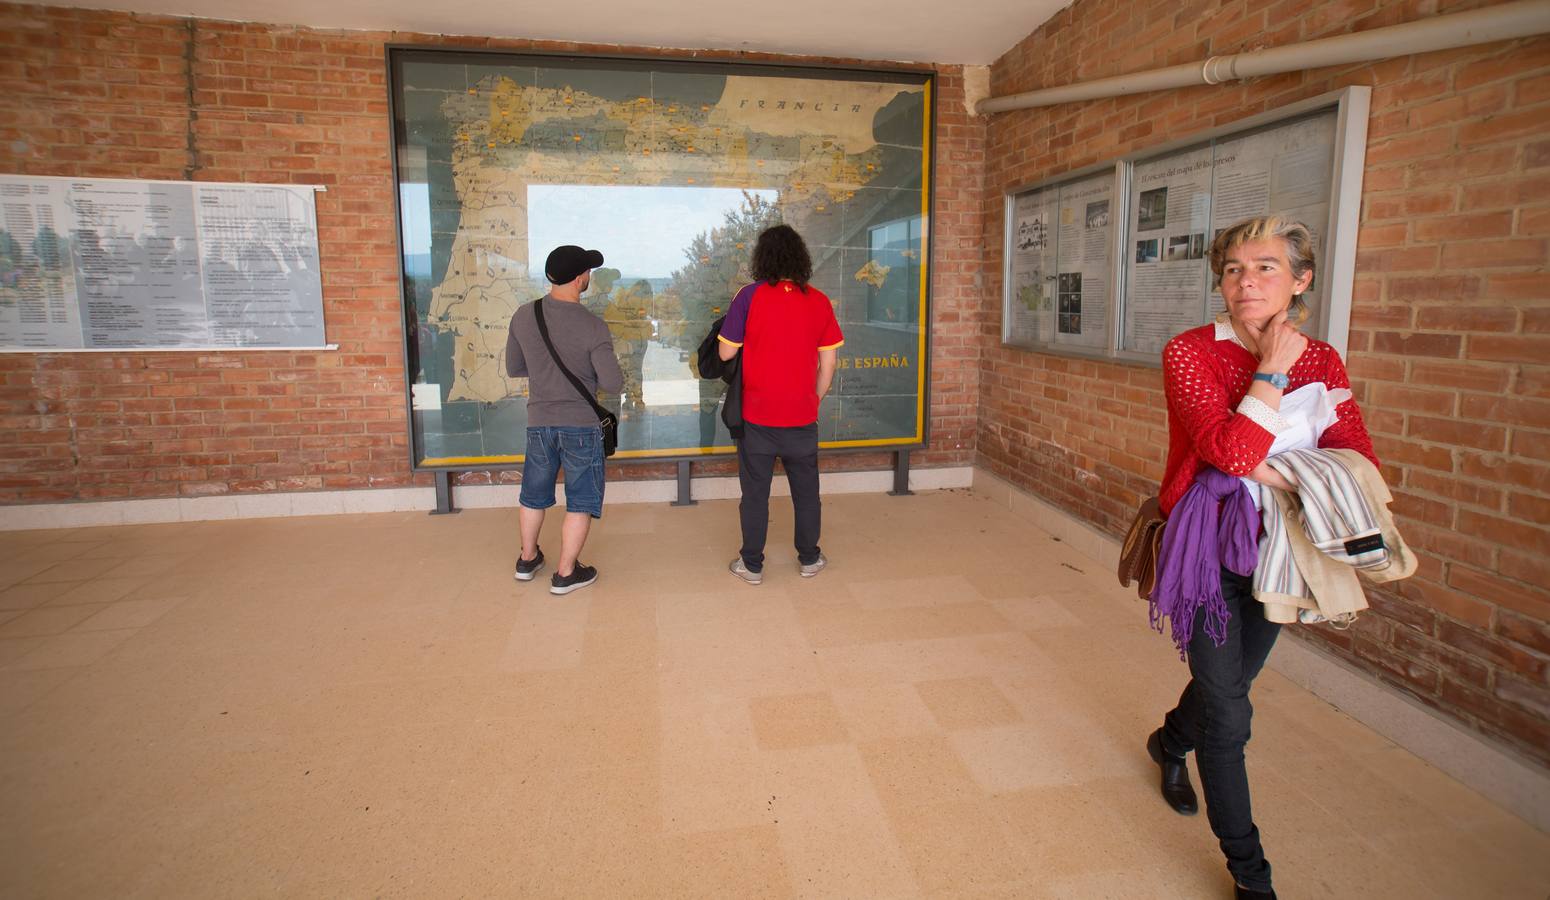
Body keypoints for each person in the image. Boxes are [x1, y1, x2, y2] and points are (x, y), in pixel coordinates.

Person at [1146, 216, 1378, 900]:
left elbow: (1357, 453)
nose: (1246, 282)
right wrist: (1273, 372)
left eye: (1266, 267)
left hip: (1285, 550)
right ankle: (1252, 875)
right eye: (1234, 270)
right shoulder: (1191, 351)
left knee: (1228, 686)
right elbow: (1229, 454)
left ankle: (1167, 742)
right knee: (1230, 716)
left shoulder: (1324, 359)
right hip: (1206, 547)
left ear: (1300, 280)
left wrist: (1281, 468)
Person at [717, 225, 843, 585]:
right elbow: (829, 364)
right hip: (801, 417)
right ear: (800, 258)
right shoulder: (818, 301)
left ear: (763, 258)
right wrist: (812, 399)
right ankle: (809, 559)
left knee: (755, 492)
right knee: (807, 492)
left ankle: (752, 565)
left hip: (757, 416)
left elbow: (726, 351)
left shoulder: (749, 296)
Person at [505, 245, 624, 595]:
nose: (589, 276)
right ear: (579, 278)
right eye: (588, 271)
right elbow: (612, 383)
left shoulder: (523, 316)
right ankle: (566, 573)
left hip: (538, 422)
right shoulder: (593, 326)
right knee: (581, 499)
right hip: (581, 426)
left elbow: (515, 368)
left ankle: (527, 560)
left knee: (533, 494)